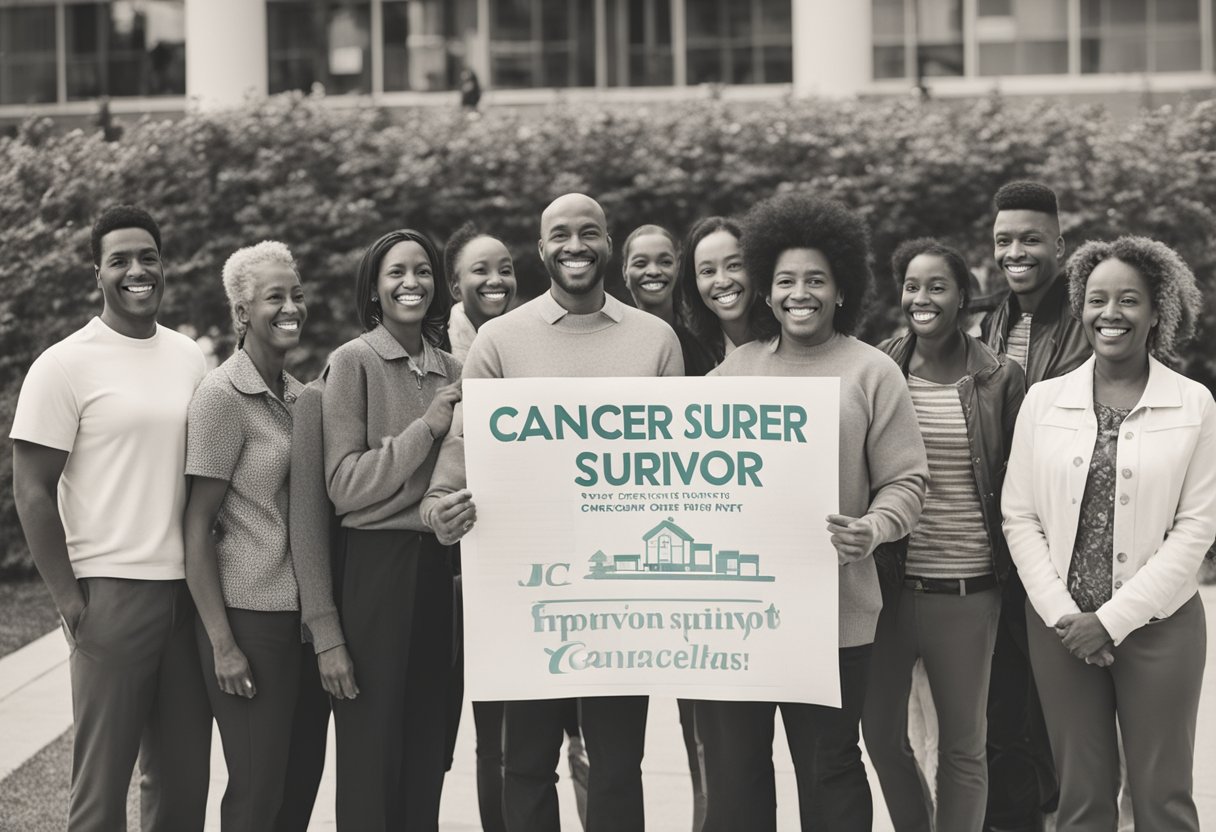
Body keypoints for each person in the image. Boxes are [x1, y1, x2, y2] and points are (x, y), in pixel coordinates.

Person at [422, 193, 684, 832]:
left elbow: (680, 464)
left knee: (619, 764)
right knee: (527, 763)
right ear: (540, 250)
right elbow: (463, 447)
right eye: (559, 234)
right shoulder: (500, 342)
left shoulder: (656, 340)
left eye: (588, 232)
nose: (574, 245)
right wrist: (437, 508)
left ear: (608, 245)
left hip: (625, 595)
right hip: (526, 591)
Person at [699, 193, 928, 831]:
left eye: (816, 280)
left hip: (836, 619)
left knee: (830, 770)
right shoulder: (730, 376)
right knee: (737, 773)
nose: (801, 293)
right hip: (738, 621)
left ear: (842, 290)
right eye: (785, 281)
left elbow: (907, 482)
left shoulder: (871, 372)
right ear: (766, 294)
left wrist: (872, 529)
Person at [11, 204, 212, 830]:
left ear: (163, 265)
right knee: (101, 792)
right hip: (113, 594)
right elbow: (33, 490)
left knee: (182, 782)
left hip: (189, 595)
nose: (136, 270)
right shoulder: (64, 364)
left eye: (147, 257)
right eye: (119, 259)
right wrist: (71, 601)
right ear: (96, 272)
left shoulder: (187, 357)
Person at [1003, 236, 1215, 831]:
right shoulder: (1043, 400)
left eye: (1129, 300)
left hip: (1161, 627)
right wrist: (1064, 615)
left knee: (1163, 798)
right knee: (1082, 799)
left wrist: (1113, 620)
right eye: (1097, 299)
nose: (1111, 313)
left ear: (1157, 311)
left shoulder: (1194, 404)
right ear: (1080, 306)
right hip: (1061, 629)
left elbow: (1197, 528)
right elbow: (1019, 515)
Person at [863, 239, 1025, 832]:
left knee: (963, 747)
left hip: (969, 589)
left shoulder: (1003, 379)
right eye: (911, 285)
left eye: (937, 286)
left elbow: (1019, 481)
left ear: (962, 296)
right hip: (890, 588)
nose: (921, 297)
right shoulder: (880, 367)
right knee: (880, 734)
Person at [322, 228, 463, 830]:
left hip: (442, 568)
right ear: (375, 290)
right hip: (374, 569)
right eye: (396, 273)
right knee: (372, 746)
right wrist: (426, 429)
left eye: (423, 271)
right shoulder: (353, 361)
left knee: (429, 741)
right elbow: (345, 485)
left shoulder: (457, 369)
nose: (412, 283)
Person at [183, 241, 308, 831]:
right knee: (257, 793)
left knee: (295, 791)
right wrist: (222, 644)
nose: (291, 307)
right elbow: (196, 525)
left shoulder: (302, 397)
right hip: (248, 620)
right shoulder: (220, 397)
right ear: (241, 313)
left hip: (303, 624)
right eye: (274, 297)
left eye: (296, 295)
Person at [979, 180, 1090, 831]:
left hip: (1056, 543)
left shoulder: (1081, 318)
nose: (1015, 251)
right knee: (1007, 707)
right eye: (1003, 240)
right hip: (1001, 540)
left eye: (1029, 239)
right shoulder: (995, 318)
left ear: (1059, 242)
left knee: (1052, 712)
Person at [622, 221, 709, 832]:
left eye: (662, 260)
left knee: (701, 720)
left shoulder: (701, 340)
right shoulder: (611, 338)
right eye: (639, 261)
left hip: (684, 534)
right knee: (611, 727)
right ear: (622, 267)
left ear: (677, 264)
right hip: (618, 542)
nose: (651, 271)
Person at [672, 216, 755, 376]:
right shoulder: (684, 352)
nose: (723, 282)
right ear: (694, 283)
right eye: (708, 271)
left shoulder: (789, 339)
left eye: (734, 265)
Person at [445, 221, 518, 362]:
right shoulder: (435, 346)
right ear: (456, 289)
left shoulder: (527, 338)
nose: (496, 280)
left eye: (505, 271)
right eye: (480, 270)